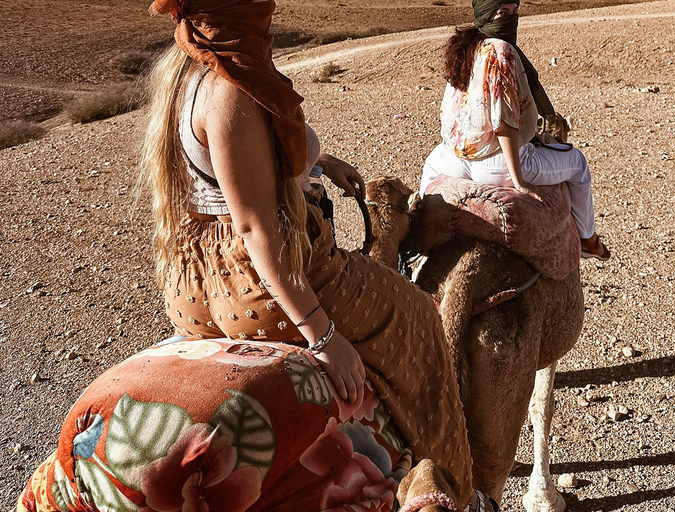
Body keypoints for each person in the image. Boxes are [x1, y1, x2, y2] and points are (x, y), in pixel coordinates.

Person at [140, 0, 473, 505]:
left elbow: (238, 170)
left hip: (197, 283)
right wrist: (323, 337)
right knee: (418, 320)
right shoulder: (232, 90)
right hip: (260, 284)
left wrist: (323, 160)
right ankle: (453, 488)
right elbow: (254, 227)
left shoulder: (187, 70)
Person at [419, 0, 611, 260]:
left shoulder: (466, 48)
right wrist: (518, 179)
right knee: (578, 163)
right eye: (502, 12)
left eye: (515, 12)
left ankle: (417, 242)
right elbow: (505, 123)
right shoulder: (502, 49)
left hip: (454, 160)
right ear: (486, 15)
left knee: (429, 167)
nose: (510, 18)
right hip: (496, 165)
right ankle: (588, 238)